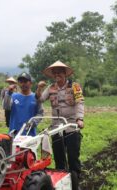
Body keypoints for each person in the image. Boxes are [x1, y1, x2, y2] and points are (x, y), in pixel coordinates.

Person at [36, 60, 84, 190]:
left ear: (65, 74)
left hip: (71, 126)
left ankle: (75, 184)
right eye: (55, 73)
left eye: (59, 73)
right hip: (56, 127)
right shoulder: (50, 88)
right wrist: (39, 88)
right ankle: (62, 184)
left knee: (73, 157)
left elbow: (80, 103)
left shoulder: (75, 86)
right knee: (59, 157)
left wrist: (80, 119)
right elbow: (40, 99)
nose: (57, 75)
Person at [3, 72, 43, 136]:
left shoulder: (36, 97)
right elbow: (6, 107)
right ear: (18, 84)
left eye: (25, 82)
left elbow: (40, 113)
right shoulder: (13, 96)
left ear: (31, 83)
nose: (23, 84)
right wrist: (9, 93)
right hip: (14, 133)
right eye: (21, 82)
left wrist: (33, 122)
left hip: (29, 135)